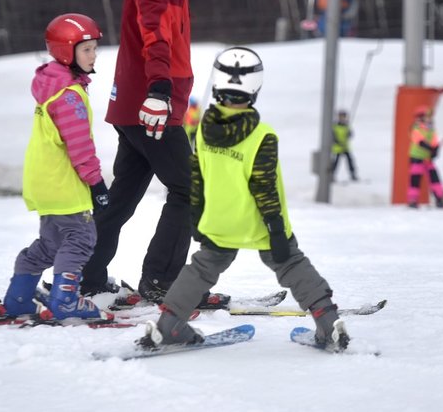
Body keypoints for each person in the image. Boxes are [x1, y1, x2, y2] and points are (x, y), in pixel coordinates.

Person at [138, 47, 349, 352]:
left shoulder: (204, 132)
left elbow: (197, 179)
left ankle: (168, 327)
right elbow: (265, 189)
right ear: (255, 88)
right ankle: (328, 326)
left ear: (217, 85)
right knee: (291, 264)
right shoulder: (262, 136)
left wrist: (197, 218)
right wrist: (276, 230)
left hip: (219, 222)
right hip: (260, 223)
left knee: (201, 269)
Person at [80, 0, 226, 303]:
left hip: (141, 107)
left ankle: (83, 275)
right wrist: (160, 90)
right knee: (191, 190)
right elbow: (155, 39)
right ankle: (163, 282)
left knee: (123, 198)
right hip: (151, 108)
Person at [0, 14, 111, 323]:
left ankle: (18, 299)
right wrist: (97, 184)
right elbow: (80, 147)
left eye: (94, 48)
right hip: (65, 185)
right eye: (86, 50)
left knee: (50, 244)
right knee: (81, 239)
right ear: (67, 52)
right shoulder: (69, 96)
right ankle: (65, 301)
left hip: (44, 183)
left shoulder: (53, 87)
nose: (94, 56)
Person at [408, 105, 443, 208]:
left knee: (435, 179)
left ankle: (440, 199)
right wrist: (431, 149)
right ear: (421, 117)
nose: (429, 119)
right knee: (415, 180)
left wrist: (435, 150)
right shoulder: (416, 128)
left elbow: (434, 142)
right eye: (427, 117)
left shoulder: (431, 130)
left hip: (428, 160)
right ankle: (413, 200)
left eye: (430, 117)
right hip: (417, 159)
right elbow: (420, 141)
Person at [330, 109, 358, 182]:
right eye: (341, 117)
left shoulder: (346, 126)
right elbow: (333, 136)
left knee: (350, 161)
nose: (342, 118)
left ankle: (353, 174)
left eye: (344, 117)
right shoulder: (335, 126)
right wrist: (337, 142)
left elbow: (350, 134)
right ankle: (332, 175)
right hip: (338, 148)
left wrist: (349, 134)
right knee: (336, 162)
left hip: (345, 147)